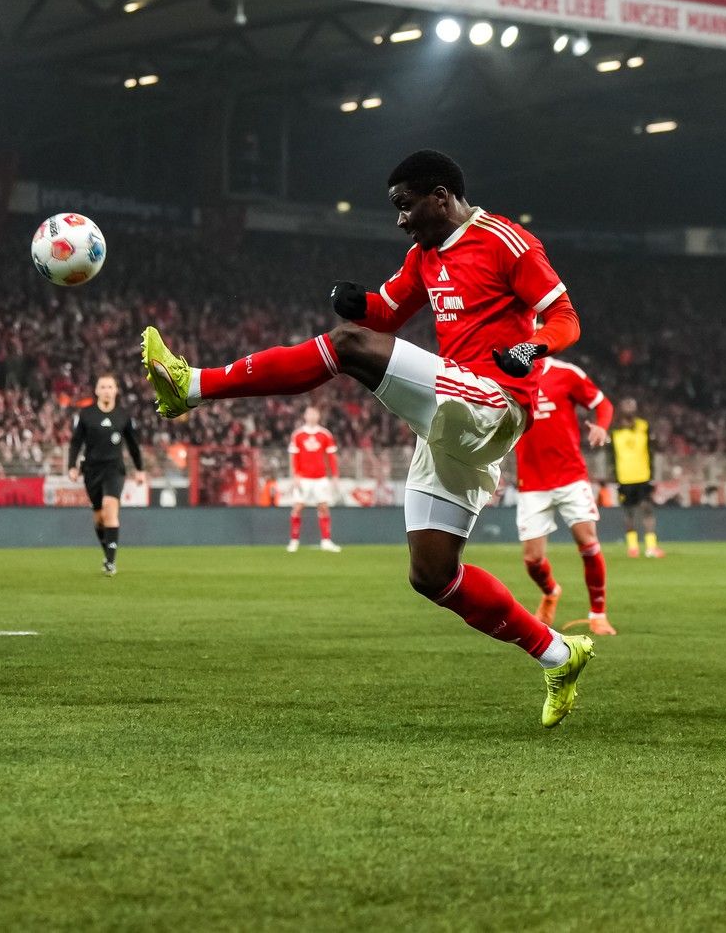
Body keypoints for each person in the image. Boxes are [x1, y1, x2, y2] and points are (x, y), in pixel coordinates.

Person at [140, 149, 598, 728]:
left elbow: (566, 317)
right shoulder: (424, 256)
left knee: (347, 346)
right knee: (432, 575)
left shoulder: (506, 241)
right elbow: (385, 313)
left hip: (494, 402)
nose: (400, 220)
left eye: (405, 206)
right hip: (453, 410)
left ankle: (192, 385)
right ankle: (559, 654)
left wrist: (534, 347)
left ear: (440, 197)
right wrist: (358, 303)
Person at [512, 356, 615, 635]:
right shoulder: (508, 374)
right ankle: (550, 591)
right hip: (532, 481)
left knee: (588, 542)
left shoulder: (566, 374)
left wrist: (602, 426)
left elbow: (603, 404)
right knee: (532, 560)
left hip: (570, 476)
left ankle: (598, 614)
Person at [68, 373, 145, 575]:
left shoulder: (123, 416)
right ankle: (108, 553)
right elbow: (76, 442)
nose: (106, 391)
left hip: (114, 469)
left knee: (110, 508)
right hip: (91, 470)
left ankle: (110, 562)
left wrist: (140, 469)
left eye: (110, 387)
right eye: (103, 387)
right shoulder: (86, 415)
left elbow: (133, 445)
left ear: (116, 391)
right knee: (99, 518)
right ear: (96, 391)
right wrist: (72, 466)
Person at [284, 404, 342, 553]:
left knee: (323, 507)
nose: (311, 416)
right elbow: (293, 457)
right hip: (303, 478)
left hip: (320, 478)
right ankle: (294, 541)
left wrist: (335, 475)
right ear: (305, 416)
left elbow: (331, 457)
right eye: (309, 413)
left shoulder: (325, 434)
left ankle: (326, 541)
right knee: (298, 507)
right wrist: (295, 475)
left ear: (318, 416)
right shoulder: (298, 434)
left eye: (314, 414)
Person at [610, 398, 661, 558]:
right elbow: (611, 456)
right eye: (627, 404)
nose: (630, 407)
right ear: (620, 408)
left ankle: (651, 547)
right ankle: (632, 547)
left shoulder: (644, 426)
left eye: (632, 404)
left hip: (643, 476)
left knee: (647, 509)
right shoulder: (614, 430)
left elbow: (652, 450)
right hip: (624, 478)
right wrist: (613, 476)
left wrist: (652, 473)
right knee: (629, 512)